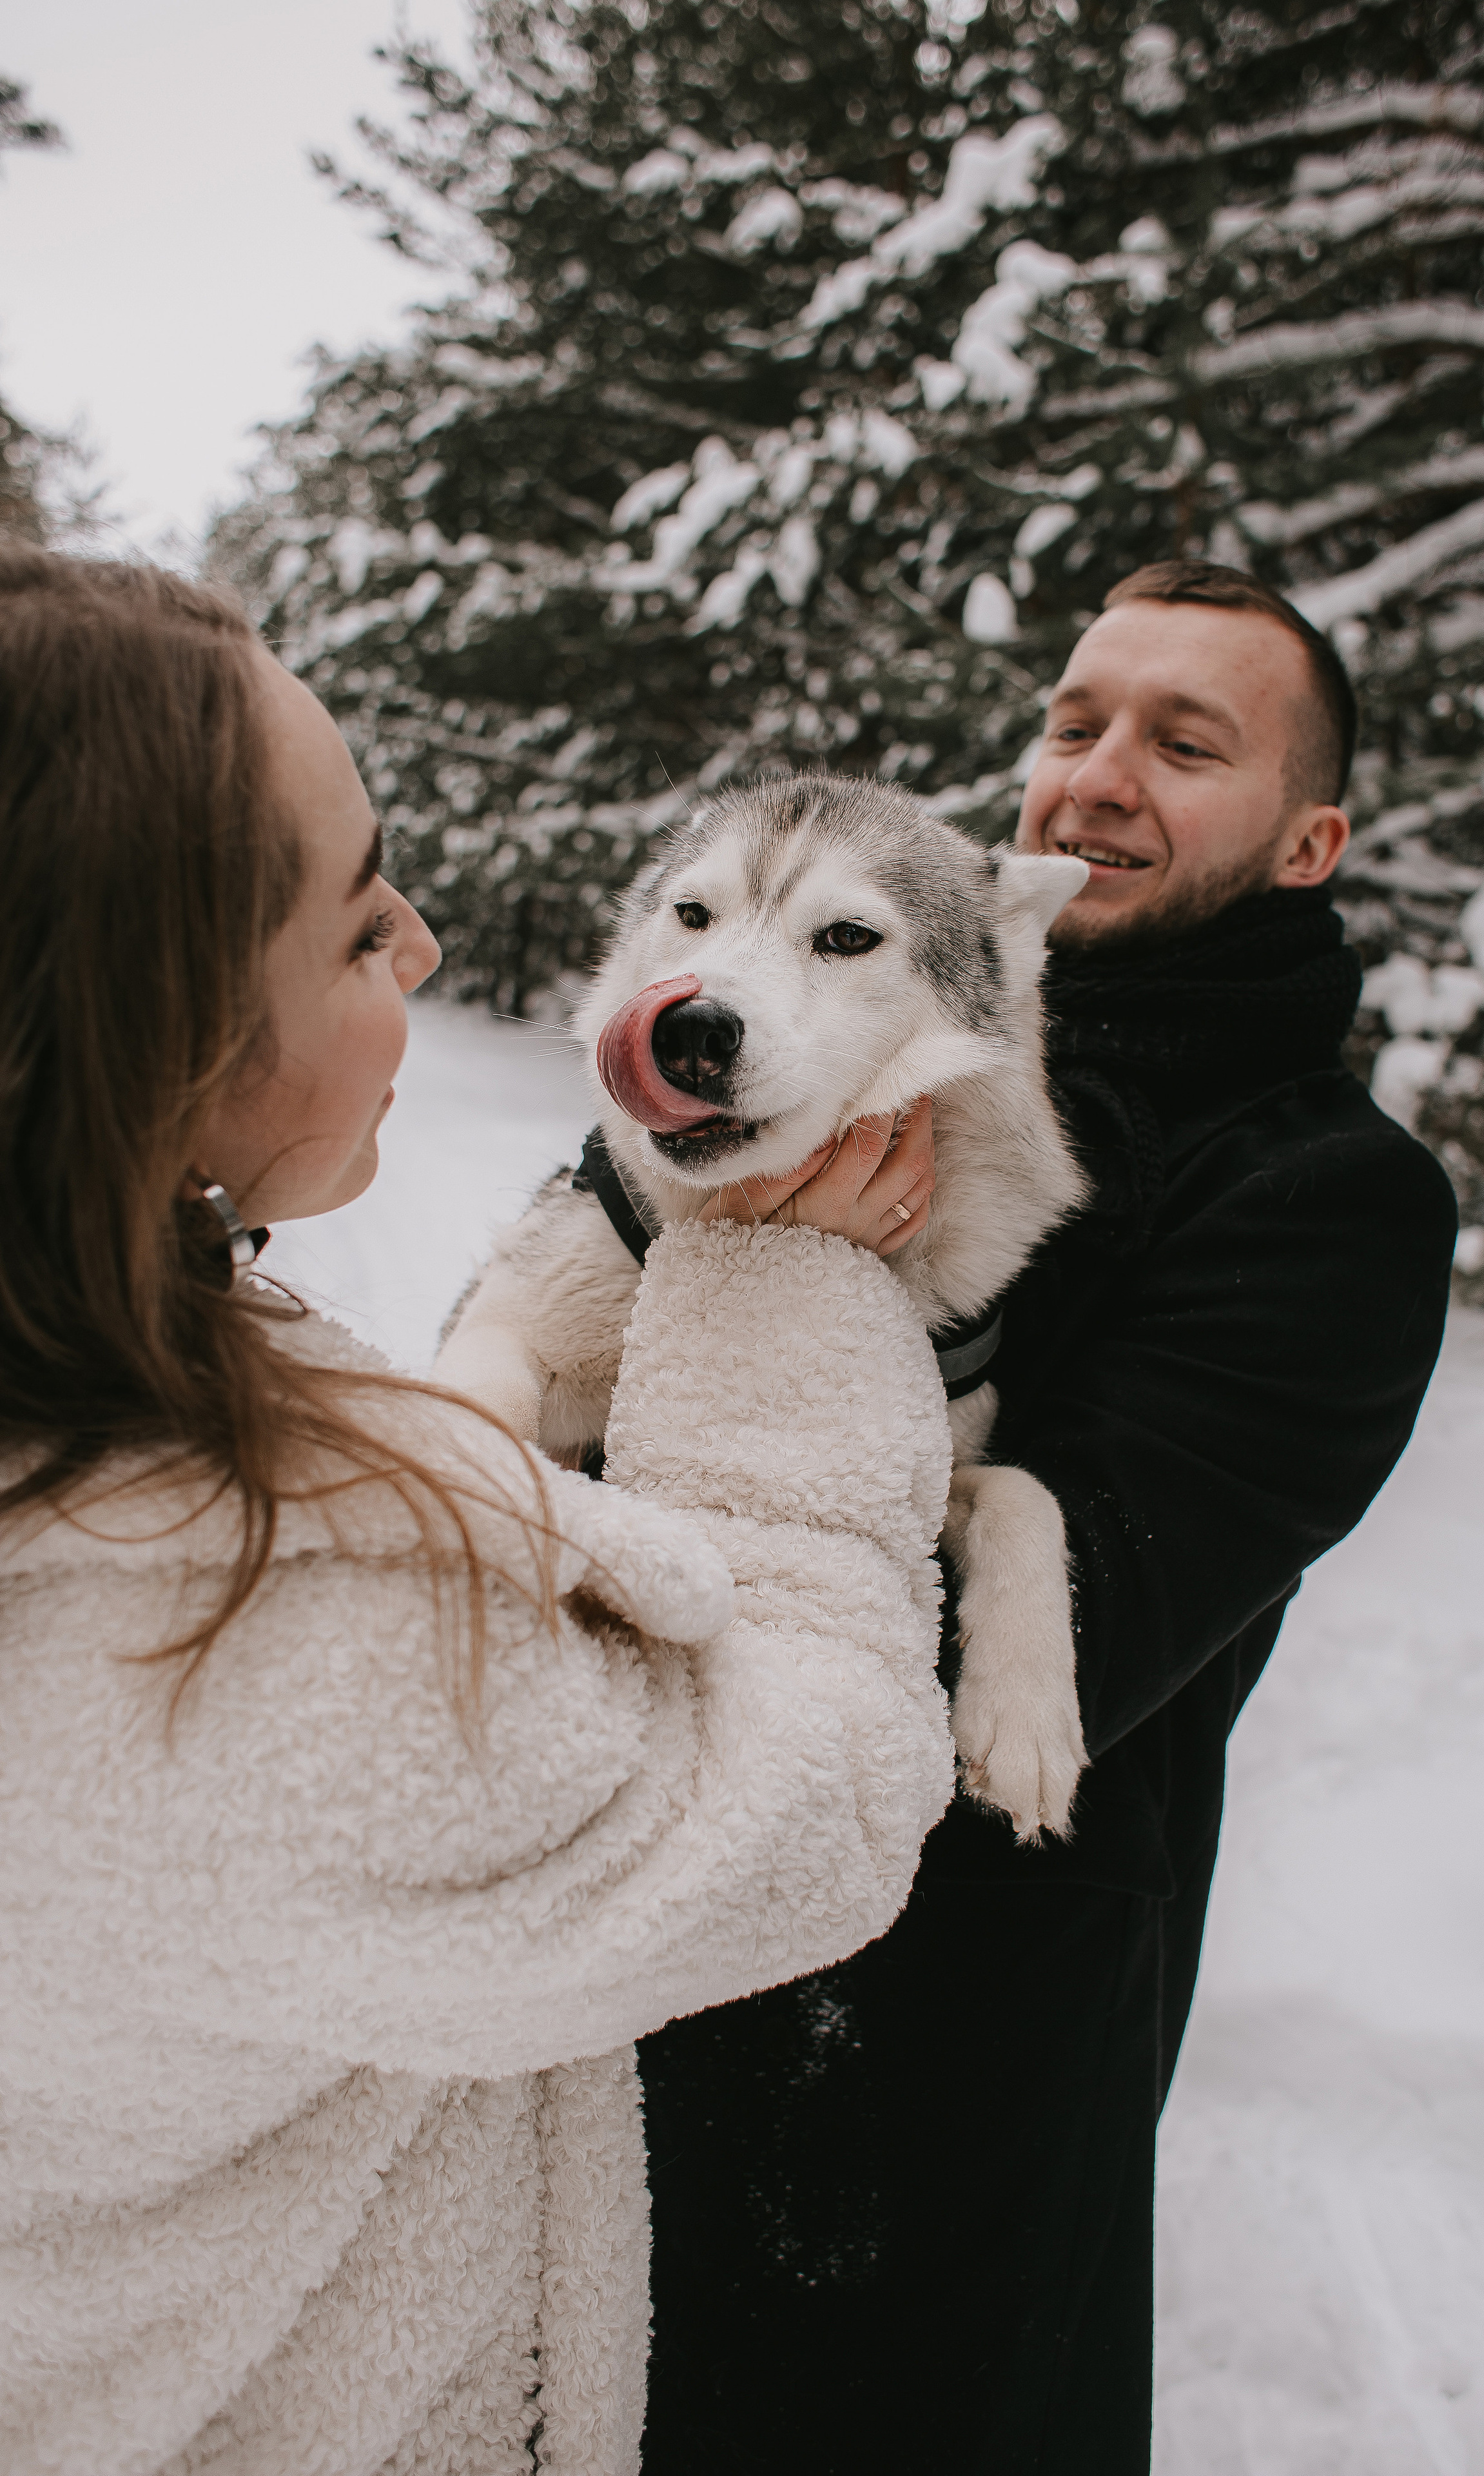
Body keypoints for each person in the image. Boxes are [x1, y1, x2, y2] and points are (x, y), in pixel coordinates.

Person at [0, 549, 956, 2476]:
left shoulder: (87, 1359)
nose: (428, 946)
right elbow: (815, 1800)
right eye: (358, 930)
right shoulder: (223, 1630)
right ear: (157, 1033)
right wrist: (779, 1301)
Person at [636, 563, 1460, 2473]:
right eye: (1077, 721)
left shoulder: (1329, 1200)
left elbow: (1060, 1631)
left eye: (1186, 744)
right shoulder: (821, 1020)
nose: (1097, 775)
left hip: (950, 2075)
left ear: (1309, 838)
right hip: (622, 1954)